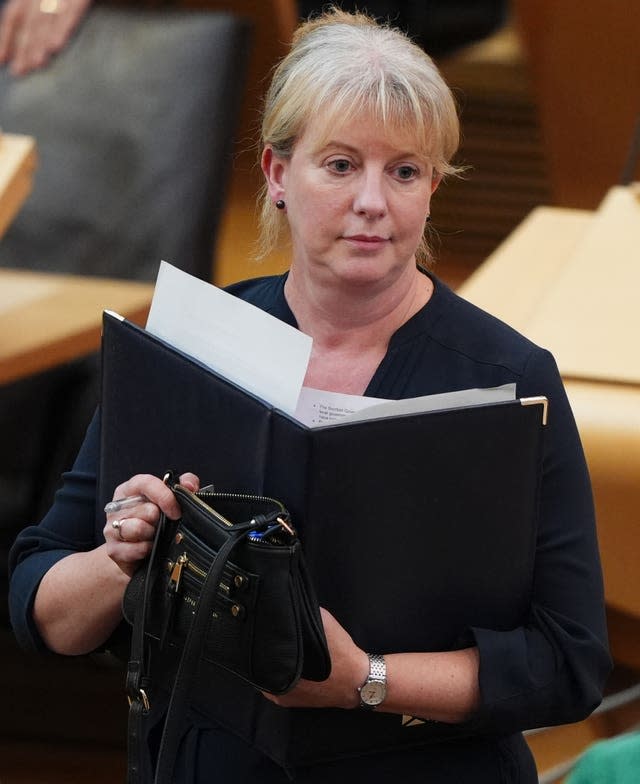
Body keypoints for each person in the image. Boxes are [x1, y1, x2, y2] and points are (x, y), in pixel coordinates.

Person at [8, 8, 612, 783]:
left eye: (404, 170)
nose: (373, 202)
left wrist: (366, 677)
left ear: (432, 188)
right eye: (338, 165)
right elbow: (41, 607)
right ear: (275, 174)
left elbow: (567, 660)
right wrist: (118, 561)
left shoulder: (510, 376)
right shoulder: (190, 340)